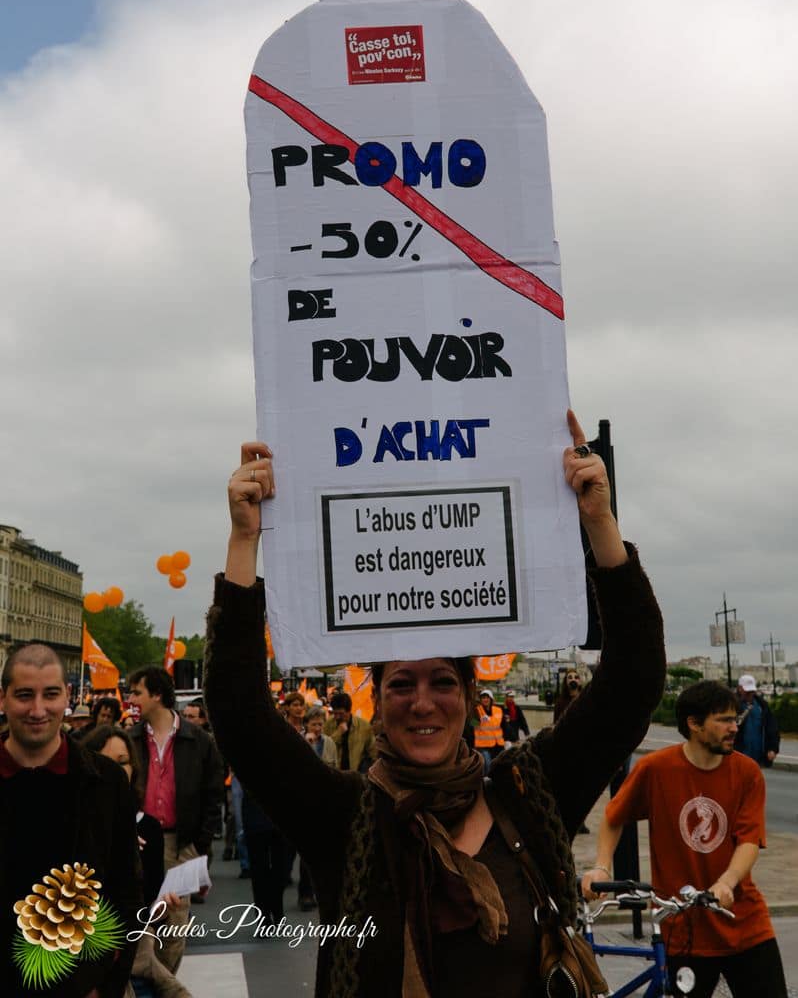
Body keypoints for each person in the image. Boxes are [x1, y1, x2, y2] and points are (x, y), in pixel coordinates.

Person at [206, 411, 665, 997]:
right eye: (401, 684)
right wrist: (245, 539)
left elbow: (632, 684)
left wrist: (598, 522)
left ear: (470, 698)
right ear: (378, 700)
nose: (422, 703)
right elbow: (240, 717)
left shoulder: (530, 794)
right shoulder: (342, 816)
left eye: (442, 682)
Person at [582, 680, 787, 998]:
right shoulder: (656, 769)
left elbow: (748, 841)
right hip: (682, 927)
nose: (734, 727)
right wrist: (602, 866)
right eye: (724, 720)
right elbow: (613, 816)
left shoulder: (747, 772)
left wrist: (726, 882)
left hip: (743, 921)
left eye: (735, 719)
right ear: (694, 724)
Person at [0, 642, 141, 998]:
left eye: (50, 695)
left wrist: (103, 984)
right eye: (24, 695)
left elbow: (125, 889)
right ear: (3, 699)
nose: (38, 710)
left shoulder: (107, 782)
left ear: (66, 696)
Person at [127, 666, 224, 975]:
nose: (131, 700)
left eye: (137, 693)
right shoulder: (130, 739)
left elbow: (213, 796)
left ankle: (162, 983)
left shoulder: (199, 740)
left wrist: (198, 846)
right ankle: (145, 984)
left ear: (157, 695)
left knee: (174, 926)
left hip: (179, 843)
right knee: (140, 921)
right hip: (140, 841)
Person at [83, 725, 192, 998]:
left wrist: (162, 908)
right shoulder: (77, 823)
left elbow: (145, 905)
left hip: (136, 958)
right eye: (107, 761)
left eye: (123, 762)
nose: (117, 770)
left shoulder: (149, 827)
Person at [324, 691, 377, 773]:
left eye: (341, 714)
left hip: (356, 773)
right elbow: (325, 748)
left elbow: (373, 752)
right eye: (335, 713)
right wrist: (338, 733)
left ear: (349, 711)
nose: (337, 717)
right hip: (335, 773)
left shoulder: (364, 726)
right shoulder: (328, 724)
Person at [734, 674, 780, 768]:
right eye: (747, 691)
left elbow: (772, 728)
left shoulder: (762, 706)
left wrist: (772, 748)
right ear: (739, 688)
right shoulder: (732, 705)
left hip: (758, 757)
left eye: (751, 691)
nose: (750, 693)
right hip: (739, 756)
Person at [474, 688, 506, 771]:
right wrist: (479, 721)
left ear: (491, 699)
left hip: (498, 744)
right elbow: (472, 725)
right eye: (483, 698)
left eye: (487, 698)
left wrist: (512, 738)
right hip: (483, 745)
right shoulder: (476, 710)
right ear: (480, 700)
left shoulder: (498, 710)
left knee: (501, 765)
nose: (485, 700)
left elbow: (504, 725)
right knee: (488, 766)